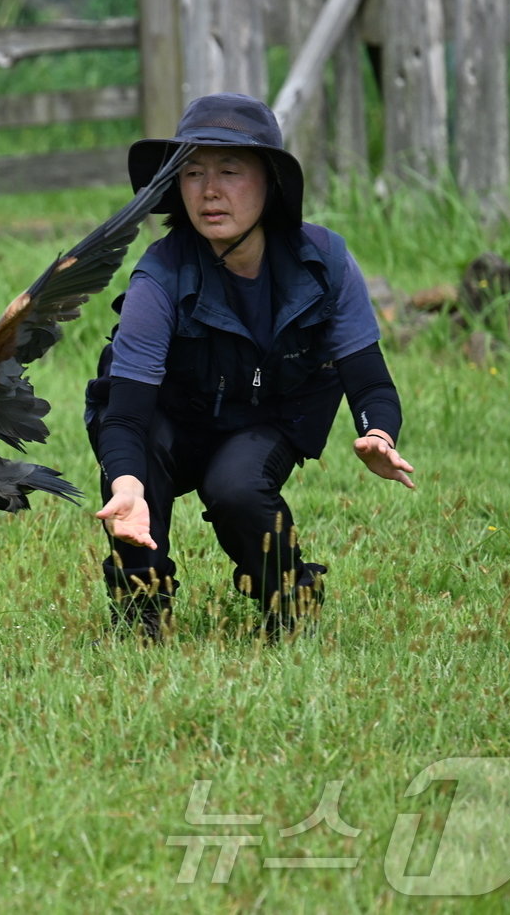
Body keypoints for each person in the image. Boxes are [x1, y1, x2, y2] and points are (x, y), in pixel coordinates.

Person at [84, 93, 416, 641]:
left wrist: (377, 432)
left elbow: (370, 379)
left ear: (270, 183)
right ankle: (141, 618)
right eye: (192, 173)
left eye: (230, 171)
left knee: (236, 486)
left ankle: (291, 602)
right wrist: (124, 483)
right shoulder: (159, 275)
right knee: (135, 477)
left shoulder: (325, 260)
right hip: (167, 417)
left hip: (266, 419)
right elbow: (125, 416)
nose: (209, 190)